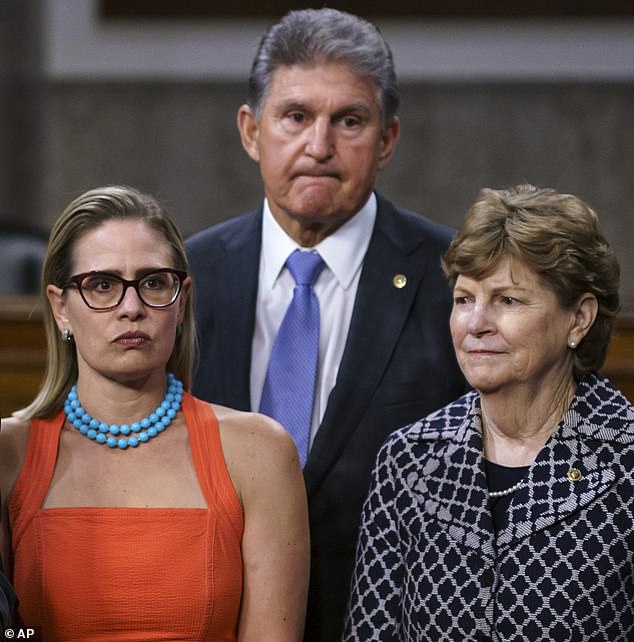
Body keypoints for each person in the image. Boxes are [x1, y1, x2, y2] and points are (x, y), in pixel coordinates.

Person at [186, 8, 466, 641]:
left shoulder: (456, 281)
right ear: (251, 131)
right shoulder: (183, 276)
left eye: (349, 120)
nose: (319, 146)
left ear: (388, 139)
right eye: (295, 117)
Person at [0, 186, 309, 642]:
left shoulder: (258, 452)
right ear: (60, 307)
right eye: (102, 285)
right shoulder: (9, 452)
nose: (132, 308)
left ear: (181, 301)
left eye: (153, 283)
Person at [344, 184, 634, 641]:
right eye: (464, 299)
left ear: (578, 318)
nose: (476, 323)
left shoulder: (625, 461)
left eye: (508, 300)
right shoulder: (408, 460)